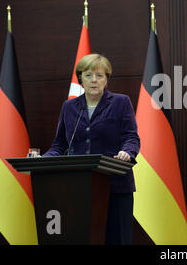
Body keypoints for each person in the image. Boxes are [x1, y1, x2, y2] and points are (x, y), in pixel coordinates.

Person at [43, 53, 140, 245]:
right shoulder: (69, 107)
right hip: (79, 188)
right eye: (88, 75)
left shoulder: (120, 102)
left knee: (117, 240)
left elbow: (131, 137)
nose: (93, 80)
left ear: (106, 79)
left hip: (115, 185)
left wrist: (127, 152)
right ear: (80, 79)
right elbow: (60, 144)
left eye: (99, 75)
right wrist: (44, 159)